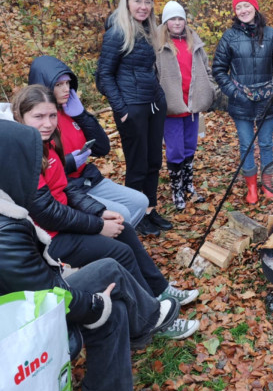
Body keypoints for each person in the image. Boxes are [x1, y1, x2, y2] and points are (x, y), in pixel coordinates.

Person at [0, 118, 191, 391]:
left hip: (39, 298)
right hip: (20, 333)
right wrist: (92, 303)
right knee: (110, 275)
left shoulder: (8, 208)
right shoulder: (6, 227)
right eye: (29, 167)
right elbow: (46, 299)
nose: (35, 176)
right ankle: (148, 318)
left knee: (114, 301)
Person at [11, 84, 200, 321]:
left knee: (125, 229)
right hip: (47, 240)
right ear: (21, 116)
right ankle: (151, 317)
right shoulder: (22, 154)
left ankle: (160, 290)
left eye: (51, 116)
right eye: (38, 117)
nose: (47, 123)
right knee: (118, 252)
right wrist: (98, 225)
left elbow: (66, 188)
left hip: (60, 226)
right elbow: (47, 212)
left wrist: (100, 212)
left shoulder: (46, 143)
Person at [28, 55, 148, 227]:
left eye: (68, 83)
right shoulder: (39, 122)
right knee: (122, 214)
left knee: (140, 202)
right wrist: (69, 162)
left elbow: (102, 147)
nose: (66, 89)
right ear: (44, 86)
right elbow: (37, 171)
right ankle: (115, 244)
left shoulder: (70, 111)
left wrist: (81, 115)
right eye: (59, 84)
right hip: (67, 188)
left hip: (87, 178)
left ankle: (121, 239)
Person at [96, 0, 171, 237]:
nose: (143, 6)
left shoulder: (148, 30)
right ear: (127, 2)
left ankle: (150, 209)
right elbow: (104, 76)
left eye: (148, 2)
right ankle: (135, 216)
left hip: (153, 105)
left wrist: (159, 96)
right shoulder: (117, 32)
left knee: (153, 161)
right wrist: (122, 109)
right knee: (137, 165)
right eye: (138, 1)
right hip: (132, 108)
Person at [212, 0, 273, 204]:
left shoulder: (271, 34)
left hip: (267, 99)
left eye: (246, 5)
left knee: (266, 144)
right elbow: (218, 69)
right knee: (246, 144)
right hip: (241, 101)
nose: (243, 10)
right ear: (235, 12)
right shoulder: (229, 36)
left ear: (255, 7)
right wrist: (234, 93)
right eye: (238, 7)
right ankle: (251, 187)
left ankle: (268, 184)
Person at [157, 1, 216, 209]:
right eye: (172, 18)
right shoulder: (159, 44)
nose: (177, 22)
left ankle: (188, 186)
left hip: (192, 107)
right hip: (172, 108)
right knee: (175, 150)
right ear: (165, 22)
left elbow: (206, 68)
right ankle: (176, 190)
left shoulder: (194, 42)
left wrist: (209, 88)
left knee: (190, 147)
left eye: (180, 18)